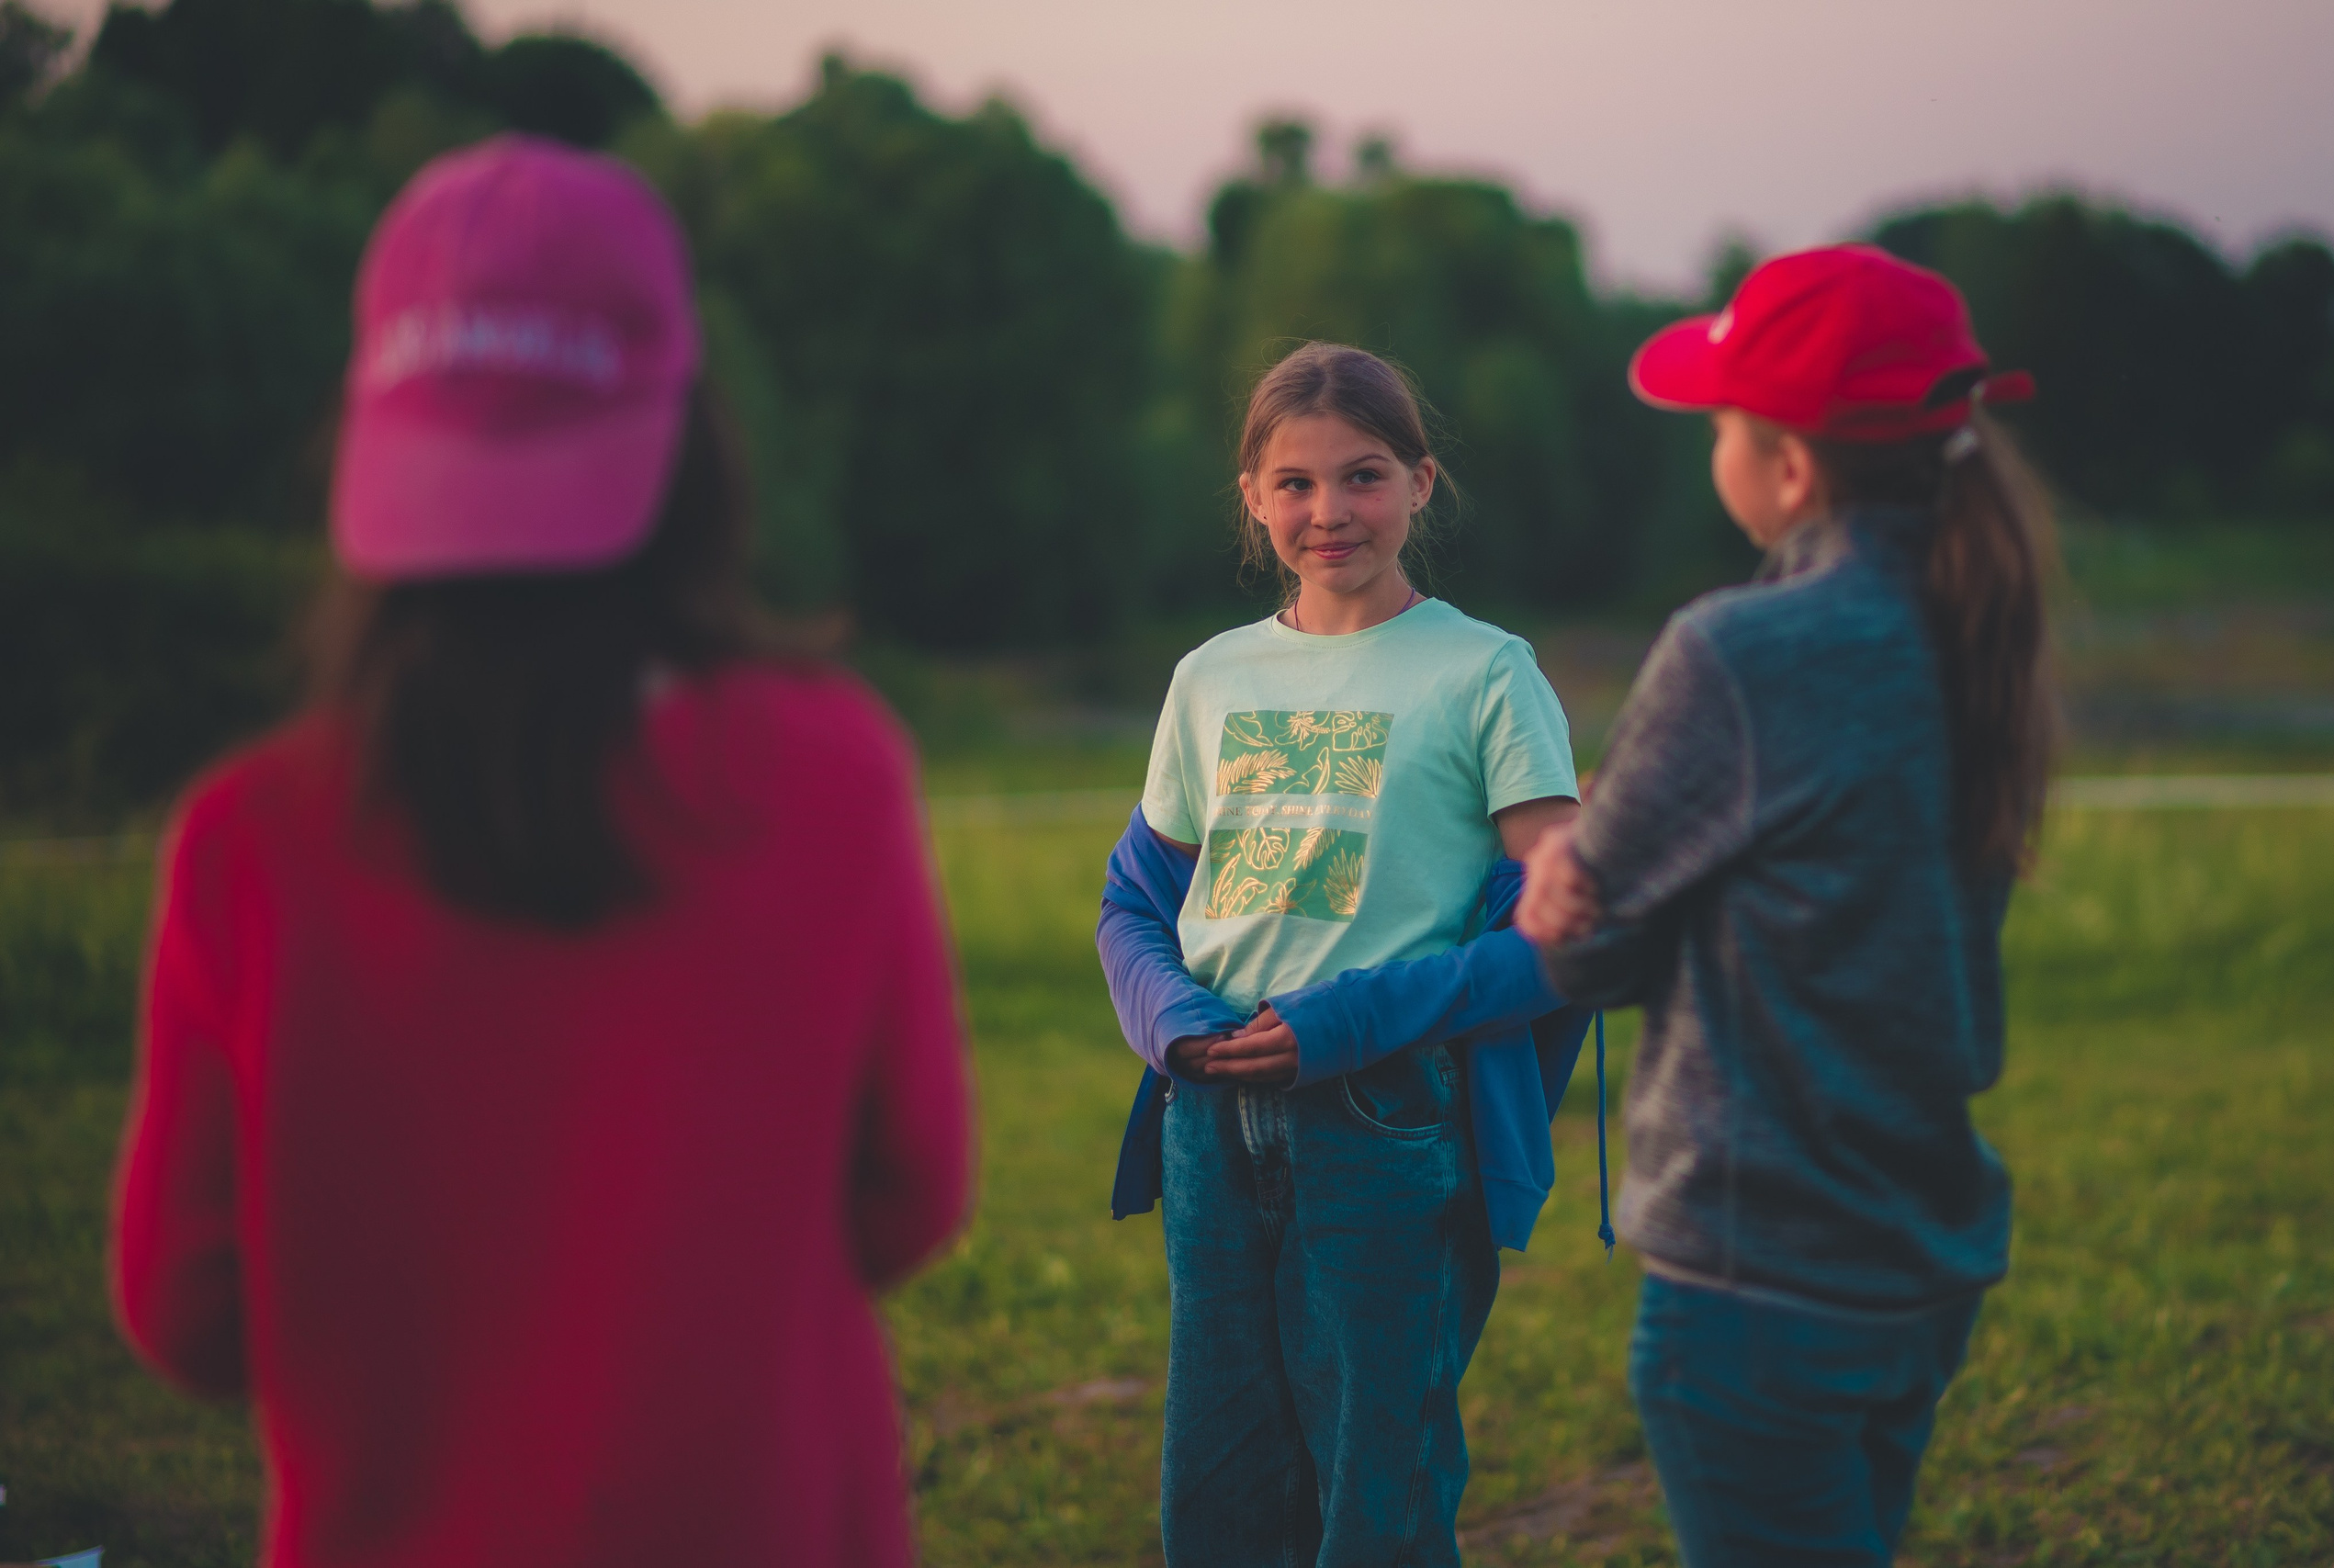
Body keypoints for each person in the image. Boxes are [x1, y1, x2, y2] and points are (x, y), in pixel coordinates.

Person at [109, 136, 972, 1568]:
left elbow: (189, 1310)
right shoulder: (829, 777)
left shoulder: (252, 839)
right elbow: (907, 1197)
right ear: (692, 441)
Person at [1517, 244, 2057, 1568]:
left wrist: (1556, 877)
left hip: (1758, 1278)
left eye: (1721, 421)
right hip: (1919, 1257)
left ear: (1793, 469)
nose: (1713, 442)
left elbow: (1591, 953)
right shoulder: (1972, 627)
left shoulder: (1738, 651)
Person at [1096, 342, 1593, 1567]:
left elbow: (1568, 931)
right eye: (1297, 484)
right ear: (1255, 498)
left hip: (1385, 1117)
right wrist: (1174, 1021)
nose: (1331, 513)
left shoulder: (1487, 673)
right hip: (1208, 1120)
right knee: (1219, 1482)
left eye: (1364, 477)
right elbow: (1131, 904)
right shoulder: (1212, 678)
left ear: (1422, 483)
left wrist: (1351, 1020)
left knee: (1377, 1484)